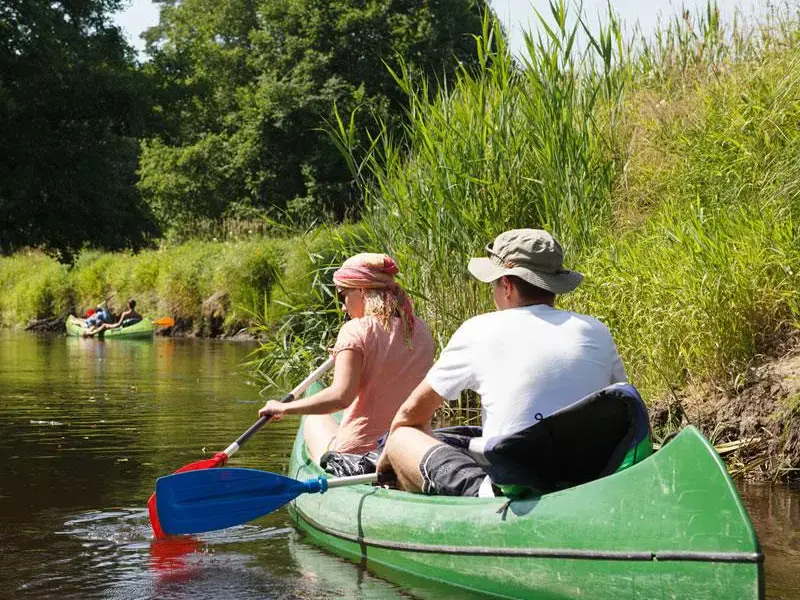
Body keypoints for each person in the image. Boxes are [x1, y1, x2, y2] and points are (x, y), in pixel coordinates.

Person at [376, 229, 627, 497]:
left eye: (494, 285)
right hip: (587, 477)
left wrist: (389, 457)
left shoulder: (479, 329)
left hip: (513, 487)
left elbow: (410, 415)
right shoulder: (595, 330)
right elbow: (622, 401)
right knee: (466, 436)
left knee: (402, 435)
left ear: (507, 285)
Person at [257, 253, 435, 462]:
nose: (343, 306)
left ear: (361, 290)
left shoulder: (355, 330)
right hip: (412, 450)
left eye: (343, 295)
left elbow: (341, 397)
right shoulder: (422, 329)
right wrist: (348, 354)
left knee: (314, 419)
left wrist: (283, 408)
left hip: (361, 453)